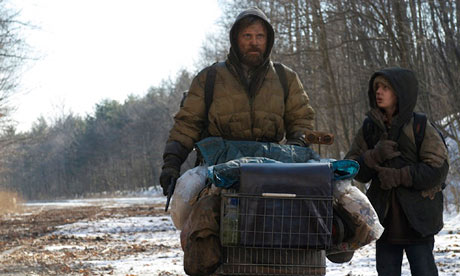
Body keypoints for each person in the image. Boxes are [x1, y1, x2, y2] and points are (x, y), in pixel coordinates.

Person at [159, 7, 315, 196]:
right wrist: (171, 164)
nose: (254, 42)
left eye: (260, 36)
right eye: (247, 36)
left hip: (273, 168)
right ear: (235, 38)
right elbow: (187, 124)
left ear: (268, 40)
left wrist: (296, 146)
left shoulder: (286, 78)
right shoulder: (209, 78)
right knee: (203, 217)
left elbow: (301, 120)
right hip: (217, 170)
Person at [345, 67, 449, 276]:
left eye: (385, 88)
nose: (379, 92)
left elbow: (438, 168)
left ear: (400, 92)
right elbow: (352, 167)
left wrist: (401, 175)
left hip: (418, 222)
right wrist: (374, 156)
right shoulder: (370, 127)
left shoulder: (420, 126)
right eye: (377, 87)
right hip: (384, 223)